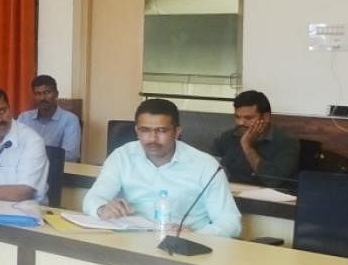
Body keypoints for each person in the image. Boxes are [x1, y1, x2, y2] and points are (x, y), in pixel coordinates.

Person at [83, 98, 241, 237]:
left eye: (161, 131)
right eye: (145, 130)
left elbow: (230, 222)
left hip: (184, 248)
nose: (152, 138)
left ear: (177, 132)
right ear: (136, 131)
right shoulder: (122, 156)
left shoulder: (205, 165)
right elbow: (92, 199)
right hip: (131, 243)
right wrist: (102, 209)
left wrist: (196, 235)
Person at [210, 90, 300, 183]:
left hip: (267, 196)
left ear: (266, 117)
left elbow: (273, 181)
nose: (240, 123)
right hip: (231, 193)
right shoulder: (227, 137)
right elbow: (209, 169)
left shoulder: (287, 143)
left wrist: (247, 146)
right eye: (237, 117)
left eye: (248, 118)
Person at [15, 74, 81, 162]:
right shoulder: (24, 118)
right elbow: (15, 147)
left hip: (55, 171)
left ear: (56, 94)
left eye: (46, 93)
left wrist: (34, 156)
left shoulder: (70, 120)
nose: (42, 98)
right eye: (38, 94)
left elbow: (71, 155)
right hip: (26, 168)